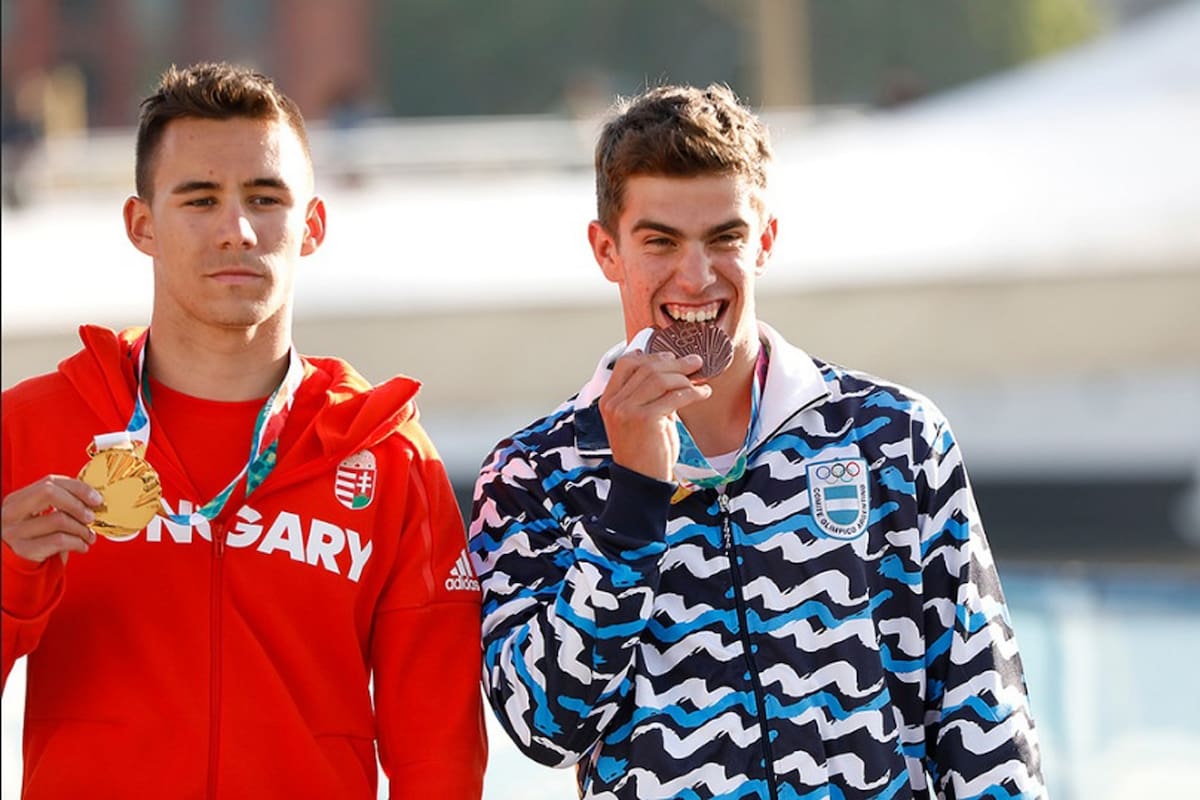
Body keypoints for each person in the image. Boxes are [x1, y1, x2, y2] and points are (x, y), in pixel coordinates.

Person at [469, 83, 1044, 799]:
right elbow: (543, 728)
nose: (697, 276)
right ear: (606, 250)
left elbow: (983, 716)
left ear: (765, 240)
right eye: (660, 242)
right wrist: (634, 501)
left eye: (725, 238)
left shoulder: (894, 437)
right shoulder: (531, 473)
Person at [1, 62, 486, 798]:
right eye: (199, 199)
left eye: (266, 199)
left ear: (311, 226)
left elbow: (438, 752)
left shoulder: (386, 455)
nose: (236, 230)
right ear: (142, 225)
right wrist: (9, 572)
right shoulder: (30, 428)